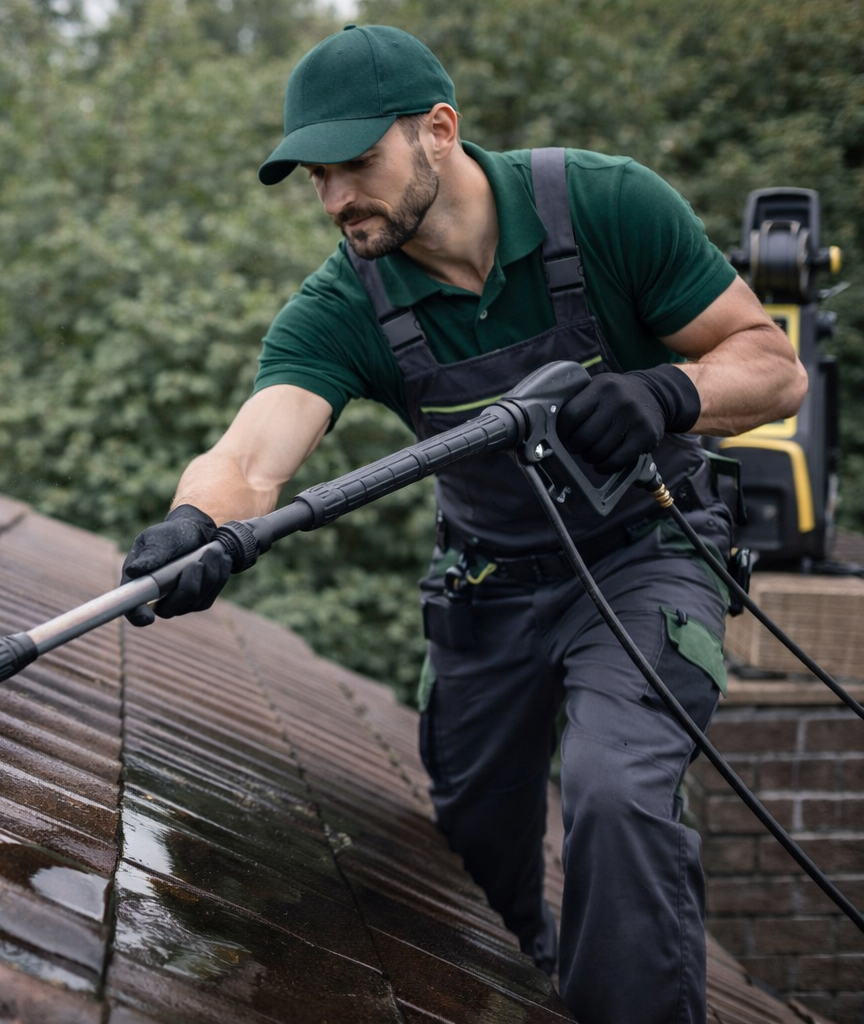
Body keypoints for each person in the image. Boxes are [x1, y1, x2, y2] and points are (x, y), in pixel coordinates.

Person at [120, 24, 807, 1024]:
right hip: (488, 591)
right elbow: (251, 455)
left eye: (357, 163)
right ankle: (541, 985)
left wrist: (672, 390)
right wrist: (194, 522)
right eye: (317, 176)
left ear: (438, 131)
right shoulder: (342, 304)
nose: (337, 198)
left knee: (615, 795)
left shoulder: (608, 205)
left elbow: (772, 364)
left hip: (647, 559)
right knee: (476, 842)